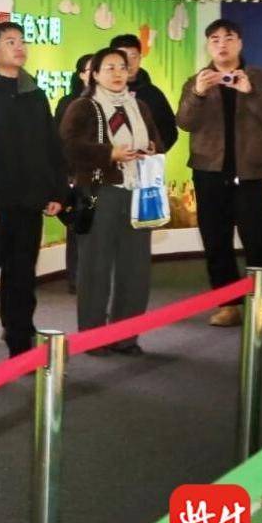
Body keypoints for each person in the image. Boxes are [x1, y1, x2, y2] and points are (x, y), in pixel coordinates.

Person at [176, 19, 262, 328]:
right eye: (214, 39)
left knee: (259, 239)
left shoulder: (261, 77)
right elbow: (184, 122)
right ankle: (228, 304)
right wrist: (198, 93)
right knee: (215, 240)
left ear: (239, 43)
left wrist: (251, 91)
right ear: (208, 46)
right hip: (208, 170)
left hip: (250, 170)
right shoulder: (196, 80)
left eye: (228, 38)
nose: (222, 44)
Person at [0, 21, 65, 372]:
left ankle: (21, 346)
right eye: (10, 42)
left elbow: (51, 146)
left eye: (21, 41)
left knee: (22, 280)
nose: (20, 47)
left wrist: (56, 191)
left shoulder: (34, 94)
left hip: (28, 203)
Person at [61, 47, 163, 356]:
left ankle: (126, 336)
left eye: (122, 67)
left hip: (138, 191)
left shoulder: (139, 106)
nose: (118, 73)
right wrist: (109, 153)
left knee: (136, 268)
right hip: (100, 192)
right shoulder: (83, 107)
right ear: (94, 74)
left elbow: (157, 141)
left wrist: (150, 148)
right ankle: (92, 337)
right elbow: (67, 147)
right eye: (109, 68)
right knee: (96, 267)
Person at [54, 53, 93, 295]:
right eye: (90, 69)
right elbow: (60, 141)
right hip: (78, 176)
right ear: (81, 75)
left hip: (105, 177)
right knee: (79, 226)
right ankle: (77, 279)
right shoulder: (68, 103)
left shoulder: (113, 102)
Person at [108, 33, 178, 152]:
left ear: (140, 58)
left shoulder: (153, 94)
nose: (128, 62)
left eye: (133, 56)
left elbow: (170, 130)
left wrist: (156, 149)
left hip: (143, 160)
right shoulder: (98, 92)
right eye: (122, 56)